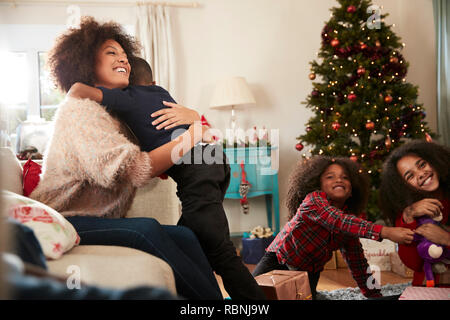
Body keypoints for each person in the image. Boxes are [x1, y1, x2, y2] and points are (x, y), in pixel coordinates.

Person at [29, 16, 222, 300]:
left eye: (124, 54)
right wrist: (192, 134)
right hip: (67, 219)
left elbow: (161, 157)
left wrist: (192, 118)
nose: (124, 60)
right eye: (111, 53)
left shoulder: (117, 114)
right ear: (85, 62)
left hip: (95, 218)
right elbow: (139, 168)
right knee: (146, 229)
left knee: (186, 236)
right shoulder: (81, 112)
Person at [67, 57, 266, 300]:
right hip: (214, 160)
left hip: (197, 171)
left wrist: (89, 89)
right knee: (191, 235)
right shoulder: (161, 92)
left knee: (221, 252)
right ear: (153, 81)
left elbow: (78, 90)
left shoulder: (129, 97)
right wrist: (193, 118)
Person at [252, 156, 415, 299]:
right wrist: (385, 231)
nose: (339, 180)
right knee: (251, 297)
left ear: (352, 191)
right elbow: (337, 220)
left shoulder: (349, 222)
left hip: (309, 272)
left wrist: (373, 295)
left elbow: (357, 261)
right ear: (318, 185)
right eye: (330, 177)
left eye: (345, 178)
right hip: (279, 262)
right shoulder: (313, 201)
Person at [379, 140, 450, 287]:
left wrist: (446, 239)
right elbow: (414, 264)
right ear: (403, 186)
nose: (421, 174)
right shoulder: (410, 212)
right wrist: (408, 217)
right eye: (410, 176)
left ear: (434, 160)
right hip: (427, 287)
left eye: (422, 165)